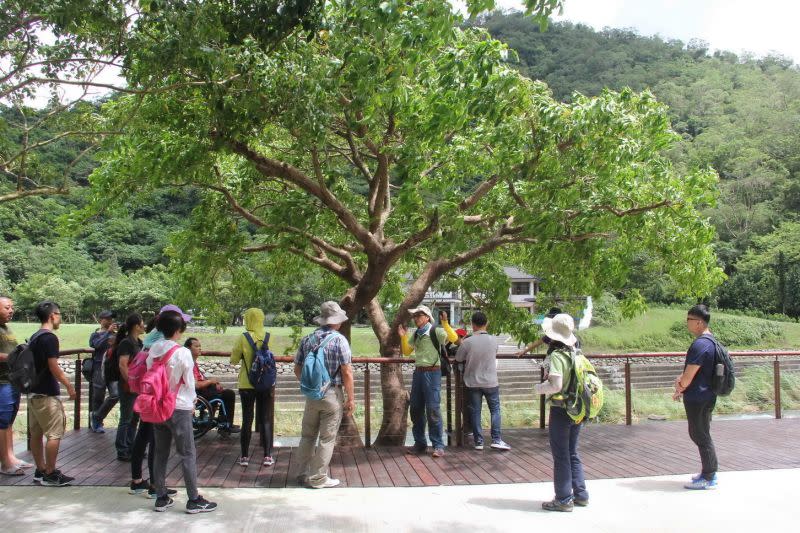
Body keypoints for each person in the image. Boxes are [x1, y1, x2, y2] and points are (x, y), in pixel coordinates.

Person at [148, 309, 217, 513]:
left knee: (160, 453)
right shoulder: (182, 352)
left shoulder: (154, 349)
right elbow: (189, 383)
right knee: (187, 453)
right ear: (178, 330)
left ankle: (161, 496)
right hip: (178, 407)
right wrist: (193, 400)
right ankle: (193, 499)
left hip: (158, 406)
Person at [293, 301, 355, 489]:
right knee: (327, 438)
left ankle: (301, 474)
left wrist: (311, 385)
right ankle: (318, 478)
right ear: (336, 321)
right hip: (332, 395)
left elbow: (297, 368)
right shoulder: (339, 340)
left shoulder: (307, 339)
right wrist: (351, 398)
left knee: (307, 436)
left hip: (312, 395)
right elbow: (347, 372)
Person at [534, 313, 588, 512]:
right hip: (578, 408)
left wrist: (538, 388)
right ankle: (580, 494)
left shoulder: (557, 356)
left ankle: (564, 498)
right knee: (572, 451)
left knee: (561, 454)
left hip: (561, 409)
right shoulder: (577, 353)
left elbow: (555, 385)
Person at [398, 305, 458, 458]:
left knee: (433, 409)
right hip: (418, 373)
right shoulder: (417, 334)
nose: (415, 318)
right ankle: (420, 443)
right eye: (414, 316)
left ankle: (438, 445)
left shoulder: (435, 330)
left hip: (432, 373)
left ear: (426, 317)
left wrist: (445, 323)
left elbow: (454, 338)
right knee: (416, 408)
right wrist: (403, 336)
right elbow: (406, 352)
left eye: (418, 315)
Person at [28, 301, 75, 486]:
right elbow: (53, 365)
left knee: (36, 434)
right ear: (52, 315)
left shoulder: (35, 336)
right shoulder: (49, 338)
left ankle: (40, 470)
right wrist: (68, 385)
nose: (60, 318)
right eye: (59, 314)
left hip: (33, 392)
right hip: (47, 394)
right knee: (54, 434)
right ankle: (50, 472)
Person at [673, 304, 720, 490]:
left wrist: (680, 386)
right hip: (707, 395)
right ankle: (707, 472)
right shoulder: (712, 342)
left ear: (699, 322)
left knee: (700, 434)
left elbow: (689, 374)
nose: (687, 323)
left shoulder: (700, 345)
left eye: (689, 320)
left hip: (698, 397)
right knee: (701, 433)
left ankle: (709, 476)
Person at [455, 311, 511, 451]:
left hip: (473, 382)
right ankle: (496, 439)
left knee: (475, 412)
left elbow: (458, 359)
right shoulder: (494, 340)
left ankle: (479, 442)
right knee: (495, 410)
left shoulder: (467, 342)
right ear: (486, 324)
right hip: (491, 382)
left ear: (472, 325)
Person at [230, 308, 273, 467]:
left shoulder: (243, 337)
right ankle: (267, 456)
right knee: (266, 419)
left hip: (246, 383)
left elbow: (234, 360)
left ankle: (244, 456)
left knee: (247, 419)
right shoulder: (268, 336)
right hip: (265, 383)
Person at [0, 296, 33, 476]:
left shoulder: (6, 327)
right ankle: (5, 463)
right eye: (7, 307)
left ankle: (11, 456)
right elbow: (6, 355)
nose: (11, 310)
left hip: (12, 380)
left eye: (12, 307)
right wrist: (12, 357)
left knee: (9, 421)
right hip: (1, 382)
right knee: (2, 422)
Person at [187, 337, 238, 434]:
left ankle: (224, 422)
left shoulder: (194, 363)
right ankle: (224, 423)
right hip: (197, 393)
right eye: (196, 346)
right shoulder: (189, 364)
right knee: (228, 394)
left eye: (200, 346)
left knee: (227, 393)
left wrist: (214, 382)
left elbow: (201, 379)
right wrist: (211, 382)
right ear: (189, 349)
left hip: (203, 391)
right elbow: (196, 385)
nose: (200, 348)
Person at [113, 313, 146, 462]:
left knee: (135, 417)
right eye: (142, 323)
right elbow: (122, 364)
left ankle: (131, 446)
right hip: (128, 386)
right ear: (136, 326)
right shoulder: (127, 343)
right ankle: (122, 449)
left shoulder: (138, 342)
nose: (144, 325)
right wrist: (131, 382)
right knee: (126, 418)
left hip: (137, 386)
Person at [89, 310, 119, 433]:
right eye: (108, 318)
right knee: (98, 397)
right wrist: (107, 332)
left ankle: (97, 416)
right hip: (98, 369)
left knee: (115, 394)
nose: (111, 321)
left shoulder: (114, 334)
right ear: (102, 319)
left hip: (112, 370)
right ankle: (97, 423)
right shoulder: (95, 334)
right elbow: (96, 345)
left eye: (112, 319)